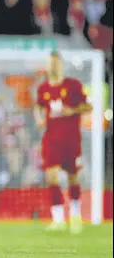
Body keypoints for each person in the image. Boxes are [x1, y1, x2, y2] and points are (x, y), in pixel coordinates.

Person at [34, 51, 92, 234]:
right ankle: (58, 218)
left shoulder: (73, 85)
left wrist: (72, 110)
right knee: (51, 176)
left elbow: (88, 106)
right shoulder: (43, 88)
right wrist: (39, 118)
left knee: (72, 177)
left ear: (61, 65)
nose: (52, 66)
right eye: (50, 63)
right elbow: (38, 105)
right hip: (51, 140)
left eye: (55, 63)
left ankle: (75, 214)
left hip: (71, 140)